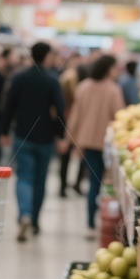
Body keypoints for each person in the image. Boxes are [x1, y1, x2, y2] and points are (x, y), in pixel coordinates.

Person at [0, 42, 67, 242]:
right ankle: (35, 221)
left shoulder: (19, 78)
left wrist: (3, 131)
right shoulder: (52, 80)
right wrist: (61, 136)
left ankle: (24, 214)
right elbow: (60, 111)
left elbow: (8, 106)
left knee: (24, 177)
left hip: (22, 136)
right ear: (46, 57)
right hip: (45, 139)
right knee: (40, 180)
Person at [68, 55, 124, 238]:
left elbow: (75, 116)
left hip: (87, 141)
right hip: (107, 144)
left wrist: (70, 139)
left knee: (93, 181)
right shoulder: (113, 90)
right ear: (109, 69)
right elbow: (120, 118)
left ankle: (90, 223)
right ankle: (107, 223)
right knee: (106, 183)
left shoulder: (83, 86)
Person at [58, 57, 86, 197]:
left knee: (66, 156)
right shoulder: (77, 83)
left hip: (67, 120)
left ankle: (63, 186)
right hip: (76, 123)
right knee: (80, 155)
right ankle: (75, 184)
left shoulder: (67, 78)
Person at [0, 48, 20, 162]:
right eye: (13, 56)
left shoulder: (13, 74)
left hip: (6, 116)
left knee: (5, 146)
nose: (16, 59)